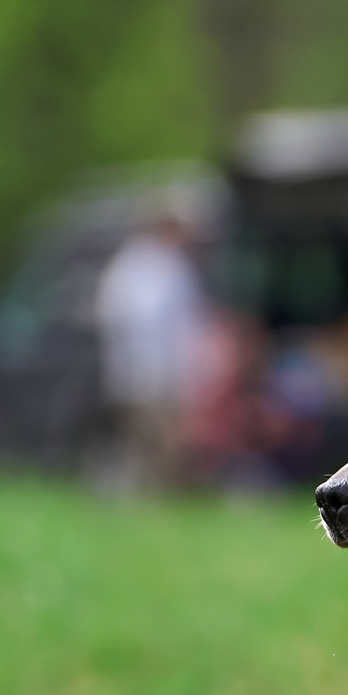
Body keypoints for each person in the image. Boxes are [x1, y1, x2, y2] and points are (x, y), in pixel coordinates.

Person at [94, 200, 216, 486]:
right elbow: (163, 330)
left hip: (146, 378)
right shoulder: (156, 269)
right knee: (162, 452)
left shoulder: (139, 267)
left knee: (158, 452)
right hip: (156, 380)